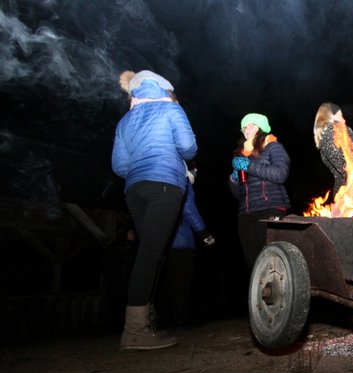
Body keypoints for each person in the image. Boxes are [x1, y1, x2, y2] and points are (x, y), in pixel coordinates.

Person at [112, 69, 198, 350]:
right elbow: (188, 148)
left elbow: (119, 166)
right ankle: (135, 330)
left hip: (135, 190)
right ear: (164, 89)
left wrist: (140, 171)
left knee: (150, 253)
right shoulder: (171, 109)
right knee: (150, 253)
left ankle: (145, 321)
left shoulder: (125, 120)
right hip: (164, 185)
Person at [153, 167, 215, 330]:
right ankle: (181, 320)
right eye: (195, 169)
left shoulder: (163, 178)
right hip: (181, 242)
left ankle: (162, 320)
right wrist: (205, 234)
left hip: (163, 241)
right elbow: (188, 208)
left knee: (166, 281)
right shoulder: (184, 181)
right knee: (181, 281)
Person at [228, 113, 291, 272]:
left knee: (273, 262)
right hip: (246, 214)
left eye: (251, 125)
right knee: (253, 265)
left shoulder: (273, 146)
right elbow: (239, 195)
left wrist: (248, 166)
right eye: (244, 127)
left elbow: (280, 174)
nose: (246, 130)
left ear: (261, 128)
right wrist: (234, 179)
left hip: (270, 209)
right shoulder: (241, 154)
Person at [313, 102, 353, 203]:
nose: (343, 117)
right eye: (340, 114)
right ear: (332, 115)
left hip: (343, 194)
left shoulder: (323, 141)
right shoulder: (340, 130)